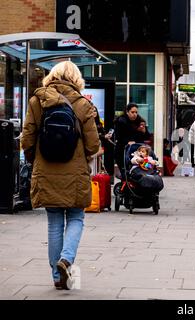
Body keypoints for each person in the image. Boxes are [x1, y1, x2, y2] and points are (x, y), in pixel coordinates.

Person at [20, 61, 100, 290]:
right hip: (74, 173)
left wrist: (34, 160)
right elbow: (93, 145)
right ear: (76, 79)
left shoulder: (37, 100)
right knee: (76, 217)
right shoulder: (82, 104)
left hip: (46, 172)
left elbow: (27, 138)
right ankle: (66, 259)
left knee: (54, 221)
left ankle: (57, 276)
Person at [113, 102, 144, 177]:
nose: (135, 114)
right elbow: (118, 136)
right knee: (125, 173)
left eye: (136, 112)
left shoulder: (139, 121)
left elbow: (143, 137)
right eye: (132, 112)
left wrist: (143, 131)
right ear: (127, 112)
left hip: (135, 150)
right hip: (122, 150)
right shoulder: (121, 121)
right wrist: (128, 141)